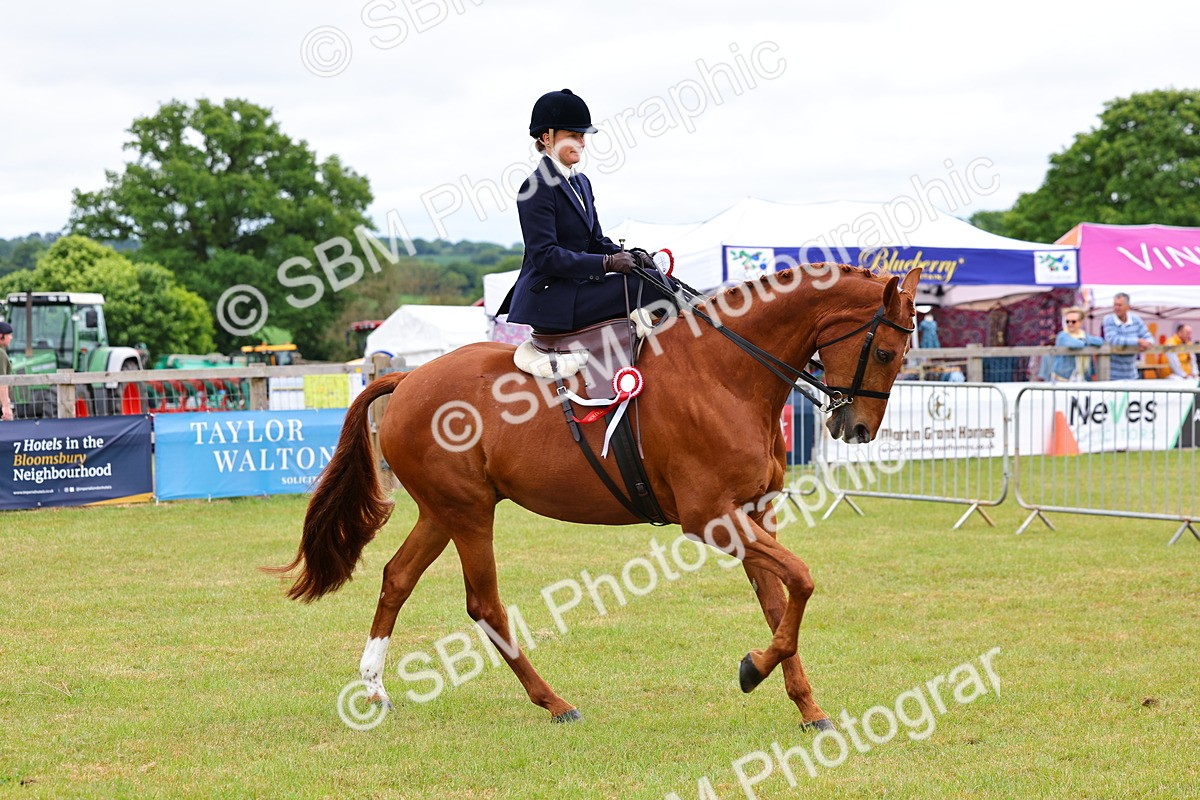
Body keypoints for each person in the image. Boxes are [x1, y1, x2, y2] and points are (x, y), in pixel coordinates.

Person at [498, 89, 672, 333]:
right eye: (573, 135)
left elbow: (596, 241)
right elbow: (545, 255)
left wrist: (633, 257)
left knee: (657, 279)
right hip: (552, 296)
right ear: (547, 138)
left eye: (582, 136)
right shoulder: (536, 186)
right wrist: (608, 263)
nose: (581, 143)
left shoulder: (582, 183)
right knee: (650, 287)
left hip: (579, 288)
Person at [1102, 293, 1153, 380]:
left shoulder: (1136, 319)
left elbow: (1148, 337)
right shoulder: (1108, 319)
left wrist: (1147, 343)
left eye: (1119, 305)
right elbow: (1113, 339)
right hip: (1112, 375)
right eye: (1115, 305)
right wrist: (1137, 341)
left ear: (1128, 307)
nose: (1116, 308)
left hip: (1132, 373)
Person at [1046, 307, 1104, 382]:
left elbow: (1100, 341)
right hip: (1063, 378)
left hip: (1082, 377)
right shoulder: (1062, 336)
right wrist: (1085, 340)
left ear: (1080, 322)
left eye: (1073, 321)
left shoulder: (1083, 335)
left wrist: (1084, 339)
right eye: (1067, 321)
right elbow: (1075, 344)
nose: (1070, 324)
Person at [0, 321, 14, 421]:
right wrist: (6, 406)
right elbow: (2, 382)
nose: (11, 338)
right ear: (1, 336)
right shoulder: (1, 354)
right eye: (9, 335)